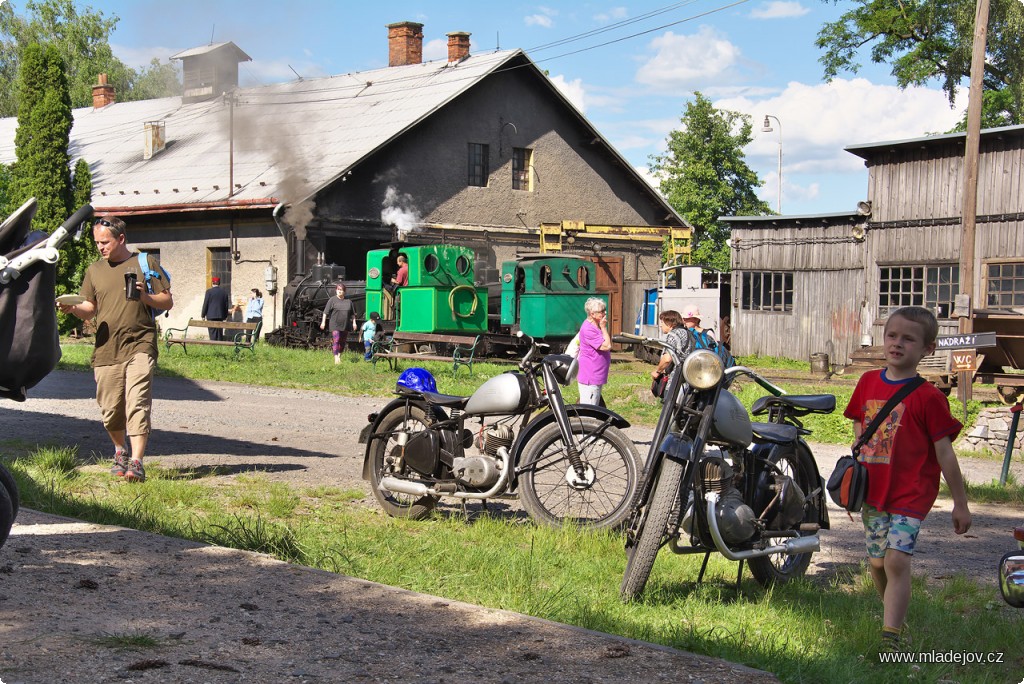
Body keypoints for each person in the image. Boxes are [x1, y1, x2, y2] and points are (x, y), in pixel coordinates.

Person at [843, 305, 971, 652]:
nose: (897, 344)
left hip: (911, 493)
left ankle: (891, 637)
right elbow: (858, 419)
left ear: (928, 349)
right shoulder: (868, 381)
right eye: (892, 336)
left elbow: (945, 453)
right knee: (877, 562)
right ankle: (893, 617)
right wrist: (860, 441)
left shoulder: (929, 397)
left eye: (909, 339)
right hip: (873, 490)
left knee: (897, 559)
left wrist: (960, 503)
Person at [57, 215, 173, 483]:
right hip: (106, 347)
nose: (100, 247)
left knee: (137, 402)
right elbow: (89, 310)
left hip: (140, 343)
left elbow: (166, 302)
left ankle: (137, 461)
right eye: (97, 242)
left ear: (121, 239)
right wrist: (72, 307)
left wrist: (145, 296)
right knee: (110, 409)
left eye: (105, 242)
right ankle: (120, 451)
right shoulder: (94, 270)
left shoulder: (144, 263)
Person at [576, 297, 611, 405]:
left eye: (605, 310)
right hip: (590, 376)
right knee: (589, 412)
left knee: (595, 408)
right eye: (602, 311)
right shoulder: (588, 329)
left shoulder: (595, 326)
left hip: (596, 375)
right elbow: (607, 346)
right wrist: (604, 328)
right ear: (592, 314)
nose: (605, 313)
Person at [650, 309, 692, 383]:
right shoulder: (687, 332)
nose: (660, 325)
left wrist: (657, 372)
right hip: (687, 376)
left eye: (662, 322)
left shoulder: (673, 335)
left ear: (669, 323)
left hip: (675, 379)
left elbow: (667, 358)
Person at [320, 282, 357, 364]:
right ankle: (336, 358)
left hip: (345, 324)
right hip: (335, 324)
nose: (340, 291)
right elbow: (325, 312)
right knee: (336, 340)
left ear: (344, 291)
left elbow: (353, 314)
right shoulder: (332, 300)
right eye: (338, 290)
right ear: (336, 290)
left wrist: (354, 323)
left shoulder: (349, 302)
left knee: (343, 342)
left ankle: (339, 355)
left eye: (342, 290)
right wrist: (323, 322)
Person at [201, 276, 230, 341]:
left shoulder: (209, 292)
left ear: (212, 283)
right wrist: (225, 316)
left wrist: (203, 315)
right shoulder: (224, 292)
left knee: (212, 332)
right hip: (220, 315)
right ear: (219, 283)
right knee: (219, 332)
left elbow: (205, 304)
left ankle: (213, 344)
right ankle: (219, 344)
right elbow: (226, 305)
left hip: (211, 315)